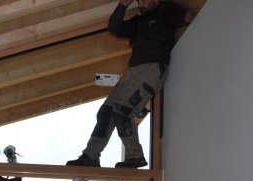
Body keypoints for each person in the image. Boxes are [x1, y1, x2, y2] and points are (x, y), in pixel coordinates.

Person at [66, 0, 198, 168]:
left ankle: (135, 157)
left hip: (152, 69)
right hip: (133, 72)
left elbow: (186, 16)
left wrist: (192, 15)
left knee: (122, 112)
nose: (141, 3)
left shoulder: (165, 10)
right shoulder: (138, 22)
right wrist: (123, 5)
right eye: (139, 0)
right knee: (105, 112)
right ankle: (90, 156)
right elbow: (115, 27)